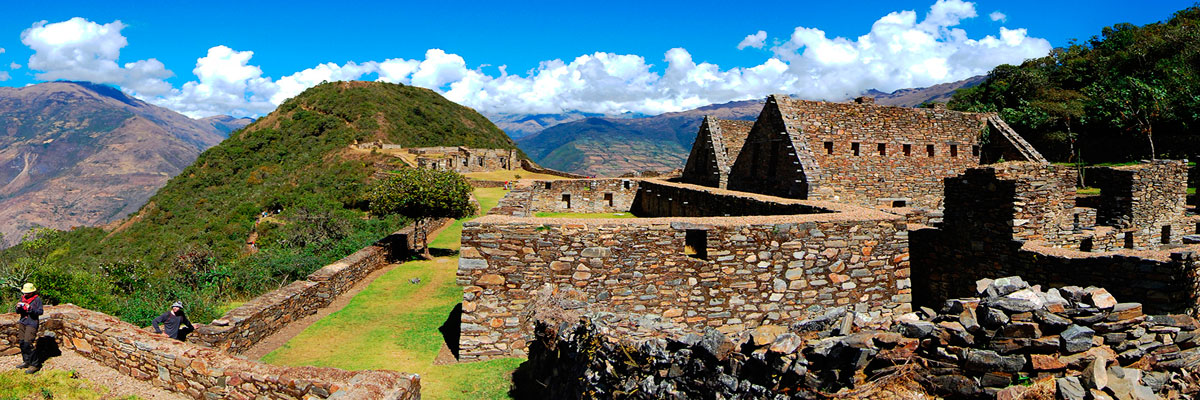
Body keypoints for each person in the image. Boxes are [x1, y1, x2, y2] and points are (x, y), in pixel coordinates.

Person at [15, 283, 43, 374]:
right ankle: (26, 361)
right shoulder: (22, 298)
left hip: (32, 323)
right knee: (22, 342)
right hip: (23, 322)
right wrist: (18, 307)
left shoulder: (37, 300)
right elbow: (18, 311)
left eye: (27, 293)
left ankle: (35, 364)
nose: (25, 294)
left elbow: (40, 311)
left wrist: (30, 309)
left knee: (28, 343)